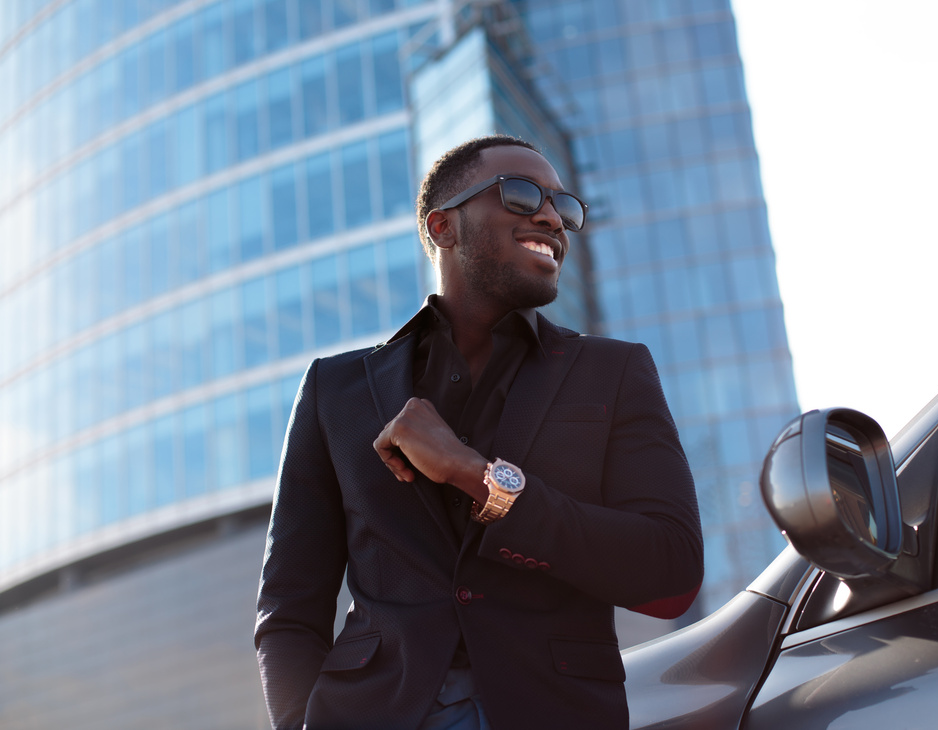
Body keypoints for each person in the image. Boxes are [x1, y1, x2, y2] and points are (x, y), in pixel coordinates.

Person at [255, 134, 703, 730]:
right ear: (443, 227)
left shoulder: (613, 372)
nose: (550, 216)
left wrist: (475, 476)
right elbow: (290, 609)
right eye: (521, 195)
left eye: (563, 208)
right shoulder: (334, 390)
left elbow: (669, 571)